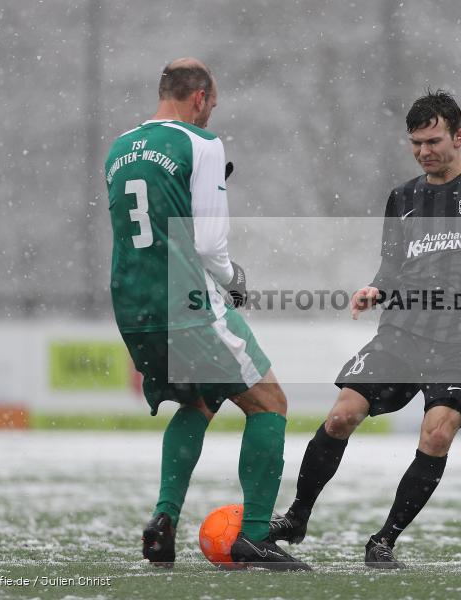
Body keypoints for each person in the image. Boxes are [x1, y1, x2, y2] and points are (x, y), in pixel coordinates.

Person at [269, 90, 461, 567]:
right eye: (416, 143)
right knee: (342, 414)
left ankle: (383, 539)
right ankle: (298, 516)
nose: (425, 151)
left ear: (458, 137)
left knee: (437, 434)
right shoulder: (403, 197)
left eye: (434, 140)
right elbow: (392, 266)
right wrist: (375, 288)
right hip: (402, 331)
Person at [104, 58, 309, 571]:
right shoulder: (202, 144)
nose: (211, 115)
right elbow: (211, 244)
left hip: (133, 303)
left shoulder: (119, 148)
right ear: (198, 98)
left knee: (197, 401)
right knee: (270, 403)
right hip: (185, 301)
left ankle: (163, 518)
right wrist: (233, 279)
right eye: (212, 105)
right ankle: (256, 536)